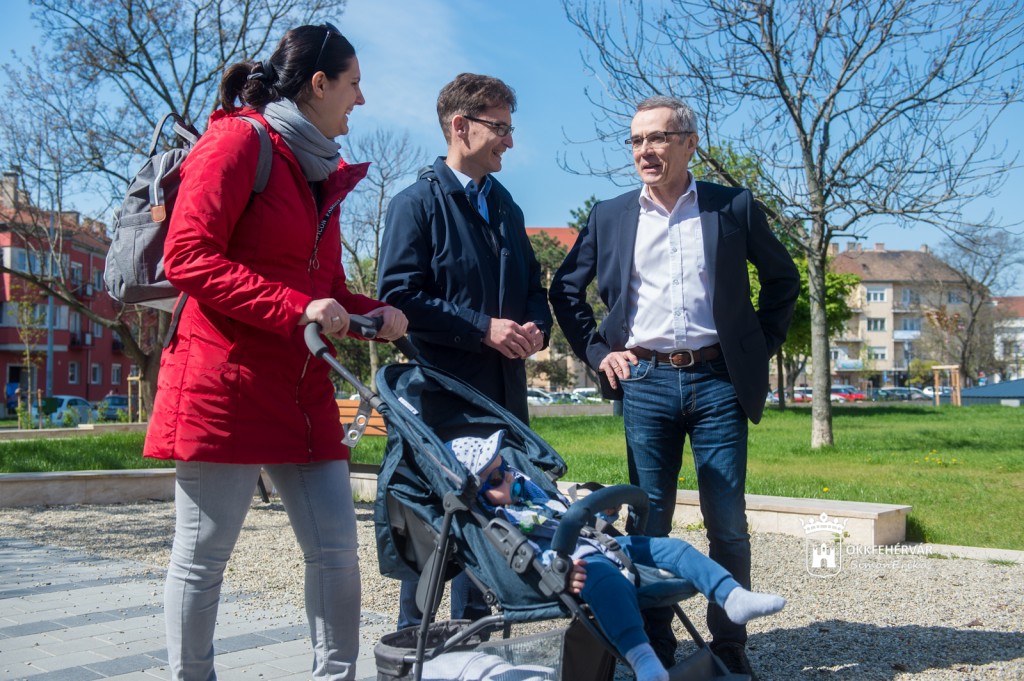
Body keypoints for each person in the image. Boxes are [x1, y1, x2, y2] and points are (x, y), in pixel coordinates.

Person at [143, 23, 408, 681]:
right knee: (203, 556)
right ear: (318, 84)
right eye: (353, 84)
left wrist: (373, 311)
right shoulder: (237, 141)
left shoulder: (321, 171)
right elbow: (188, 257)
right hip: (224, 380)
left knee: (336, 549)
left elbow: (325, 288)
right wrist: (297, 308)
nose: (362, 99)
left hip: (302, 384)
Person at [549, 95, 800, 679]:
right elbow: (566, 289)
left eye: (658, 138)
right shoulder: (611, 214)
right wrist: (598, 353)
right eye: (637, 141)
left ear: (689, 143)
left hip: (717, 382)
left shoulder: (732, 206)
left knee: (726, 520)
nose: (645, 151)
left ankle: (729, 645)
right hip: (645, 381)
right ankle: (654, 646)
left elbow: (782, 279)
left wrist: (755, 347)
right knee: (649, 519)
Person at [377, 73, 552, 628]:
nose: (510, 141)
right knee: (437, 529)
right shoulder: (415, 205)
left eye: (509, 128)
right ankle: (417, 645)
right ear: (461, 126)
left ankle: (481, 639)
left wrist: (537, 328)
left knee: (497, 529)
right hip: (442, 400)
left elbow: (533, 288)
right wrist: (482, 329)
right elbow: (398, 296)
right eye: (499, 127)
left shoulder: (507, 207)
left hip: (503, 402)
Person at [449, 430, 786, 681]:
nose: (509, 476)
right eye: (497, 477)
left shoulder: (529, 496)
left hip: (604, 544)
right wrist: (557, 570)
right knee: (610, 584)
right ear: (479, 494)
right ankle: (644, 661)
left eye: (506, 467)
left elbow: (566, 512)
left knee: (674, 548)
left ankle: (732, 596)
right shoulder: (503, 524)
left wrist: (601, 514)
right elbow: (526, 557)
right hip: (580, 563)